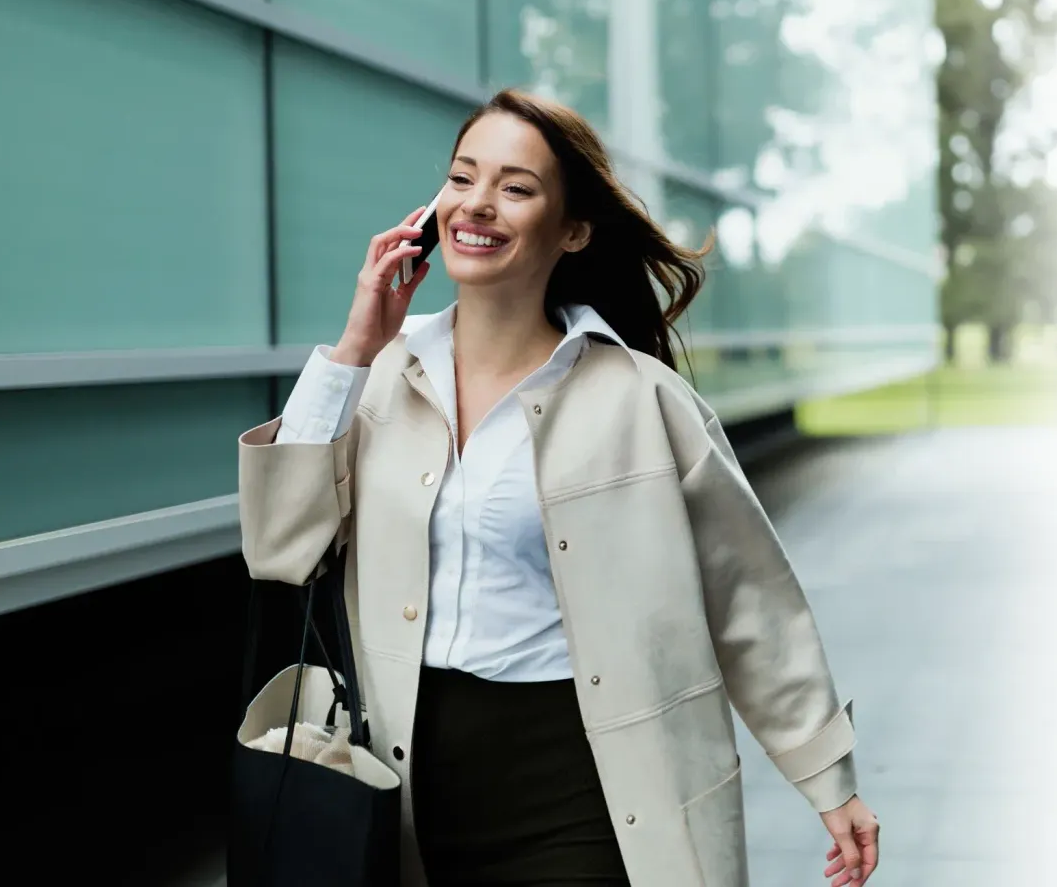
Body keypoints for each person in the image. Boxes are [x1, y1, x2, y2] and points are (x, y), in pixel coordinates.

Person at [237, 89, 880, 887]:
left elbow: (748, 596)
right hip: (396, 786)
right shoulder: (383, 377)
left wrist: (827, 775)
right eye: (462, 178)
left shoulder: (642, 399)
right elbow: (278, 548)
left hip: (578, 792)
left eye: (515, 187)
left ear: (573, 230)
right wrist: (355, 344)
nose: (477, 204)